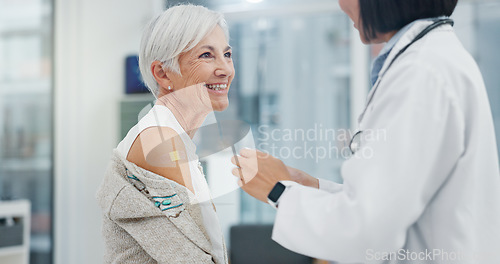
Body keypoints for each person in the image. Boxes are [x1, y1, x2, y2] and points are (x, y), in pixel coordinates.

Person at [231, 0, 500, 263]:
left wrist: (278, 191)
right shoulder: (432, 60)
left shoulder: (421, 73)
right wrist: (311, 186)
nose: (341, 4)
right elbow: (390, 203)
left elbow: (367, 230)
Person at [97, 5, 234, 263]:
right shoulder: (159, 142)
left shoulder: (174, 139)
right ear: (162, 73)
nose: (225, 68)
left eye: (227, 54)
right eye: (207, 55)